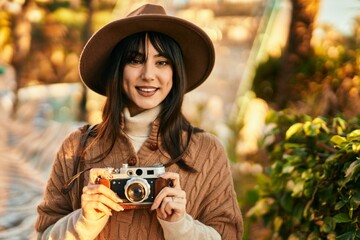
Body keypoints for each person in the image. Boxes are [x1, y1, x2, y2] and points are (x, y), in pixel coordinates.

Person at [35, 3, 243, 240]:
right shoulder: (77, 148)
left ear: (175, 72)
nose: (148, 75)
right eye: (135, 60)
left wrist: (181, 226)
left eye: (162, 62)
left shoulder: (207, 151)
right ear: (118, 69)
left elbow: (229, 236)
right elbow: (44, 234)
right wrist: (83, 222)